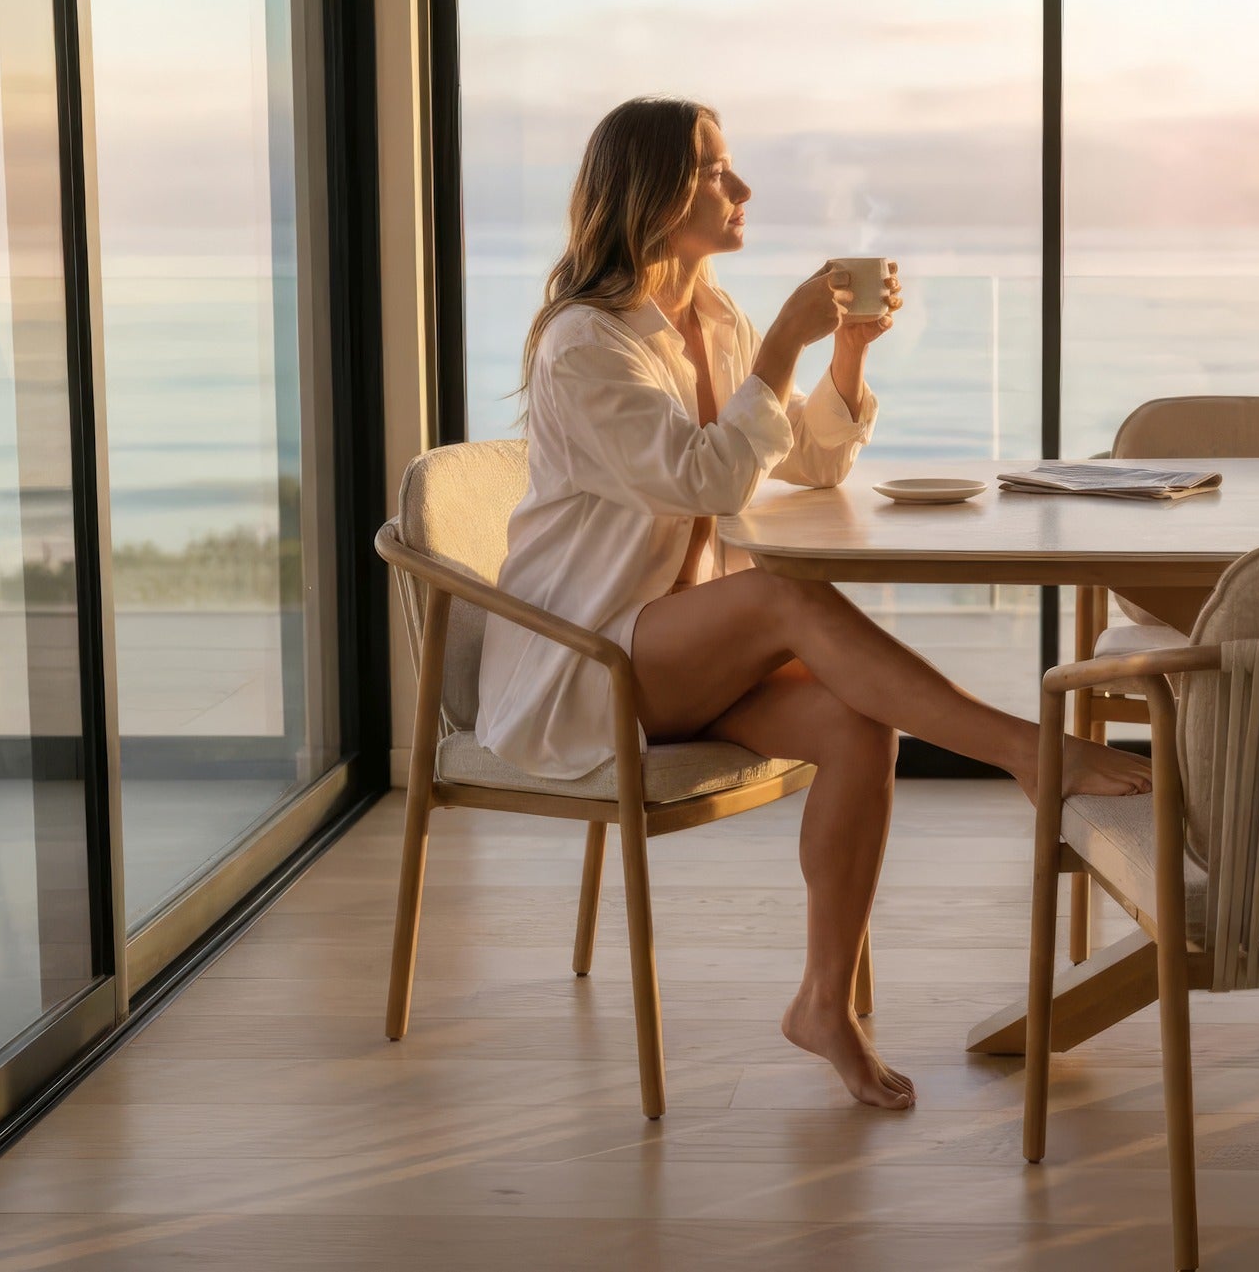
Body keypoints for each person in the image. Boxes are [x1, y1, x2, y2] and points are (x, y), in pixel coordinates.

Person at [476, 96, 1153, 1111]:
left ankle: (821, 1004)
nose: (740, 190)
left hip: (681, 647)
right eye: (714, 171)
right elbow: (706, 481)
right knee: (788, 598)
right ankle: (1024, 747)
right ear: (653, 194)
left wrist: (844, 353)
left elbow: (812, 464)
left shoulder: (713, 318)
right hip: (591, 663)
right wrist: (783, 349)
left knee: (856, 720)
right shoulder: (586, 344)